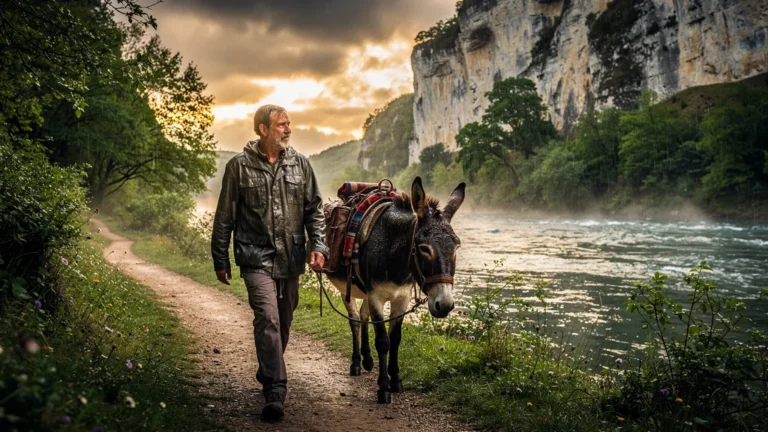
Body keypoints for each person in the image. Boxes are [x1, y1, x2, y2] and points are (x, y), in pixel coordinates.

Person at [210, 104, 327, 421]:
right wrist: (220, 258)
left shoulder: (301, 165)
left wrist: (319, 246)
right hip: (254, 256)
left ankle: (268, 368)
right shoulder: (238, 167)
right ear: (263, 129)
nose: (288, 129)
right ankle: (275, 390)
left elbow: (314, 211)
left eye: (289, 124)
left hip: (291, 257)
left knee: (284, 322)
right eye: (281, 125)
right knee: (269, 318)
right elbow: (225, 217)